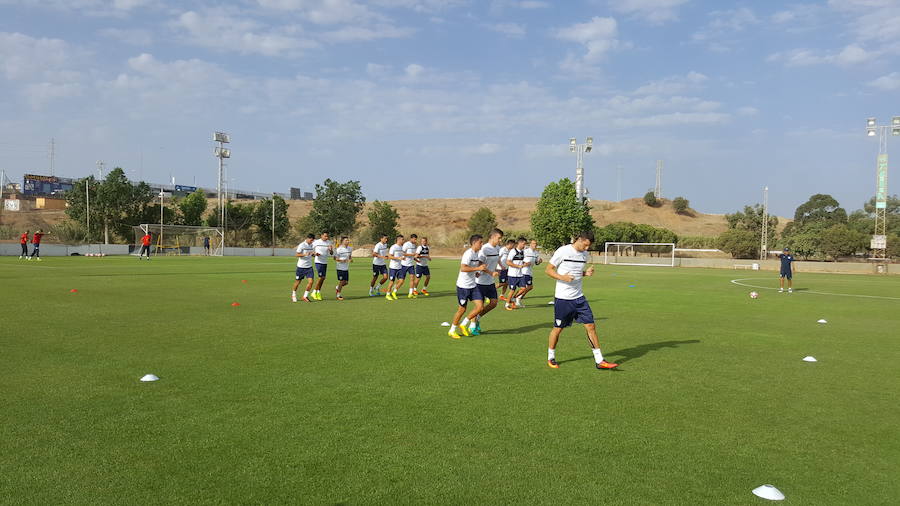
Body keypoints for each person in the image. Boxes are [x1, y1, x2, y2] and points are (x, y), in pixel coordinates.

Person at [545, 231, 618, 370]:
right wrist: (562, 277)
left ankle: (599, 360)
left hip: (579, 298)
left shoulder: (585, 255)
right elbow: (548, 270)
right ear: (580, 239)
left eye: (588, 246)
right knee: (558, 329)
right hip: (563, 299)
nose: (587, 249)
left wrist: (586, 273)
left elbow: (577, 272)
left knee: (591, 326)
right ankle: (551, 356)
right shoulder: (563, 251)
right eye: (585, 245)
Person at [448, 234, 488, 339]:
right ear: (474, 243)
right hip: (463, 286)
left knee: (480, 307)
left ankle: (463, 324)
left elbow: (472, 268)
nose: (482, 244)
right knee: (462, 309)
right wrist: (477, 268)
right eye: (480, 242)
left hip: (473, 285)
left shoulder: (476, 254)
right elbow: (463, 268)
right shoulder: (468, 254)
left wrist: (477, 272)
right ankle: (452, 330)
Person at [474, 229, 504, 335]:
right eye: (499, 238)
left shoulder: (497, 248)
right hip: (480, 281)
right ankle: (473, 325)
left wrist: (499, 267)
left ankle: (477, 318)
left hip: (490, 282)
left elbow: (496, 260)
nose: (500, 240)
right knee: (479, 307)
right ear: (492, 237)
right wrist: (491, 272)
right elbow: (480, 264)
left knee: (494, 303)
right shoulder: (485, 249)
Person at [511, 239, 540, 308]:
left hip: (530, 272)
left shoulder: (536, 253)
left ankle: (516, 298)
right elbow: (520, 260)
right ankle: (516, 298)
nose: (534, 245)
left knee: (529, 287)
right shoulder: (525, 251)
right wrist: (524, 264)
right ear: (530, 244)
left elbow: (536, 262)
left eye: (535, 244)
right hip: (524, 271)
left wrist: (539, 261)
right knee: (527, 287)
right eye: (533, 243)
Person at [504, 237, 529, 310]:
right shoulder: (513, 251)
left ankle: (513, 299)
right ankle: (507, 304)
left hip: (520, 274)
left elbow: (521, 261)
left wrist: (525, 263)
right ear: (520, 243)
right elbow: (508, 262)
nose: (524, 245)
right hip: (512, 274)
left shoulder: (523, 252)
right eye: (523, 244)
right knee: (512, 290)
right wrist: (518, 266)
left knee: (524, 288)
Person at [292, 234, 316, 303]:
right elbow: (297, 254)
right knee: (298, 282)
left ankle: (305, 296)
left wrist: (314, 254)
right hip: (301, 267)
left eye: (313, 240)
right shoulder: (302, 245)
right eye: (311, 240)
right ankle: (293, 294)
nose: (312, 241)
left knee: (311, 282)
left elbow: (311, 254)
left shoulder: (311, 245)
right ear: (308, 238)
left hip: (309, 267)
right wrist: (305, 254)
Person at [311, 232, 333, 300]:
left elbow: (332, 253)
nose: (326, 238)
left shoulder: (329, 242)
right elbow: (311, 252)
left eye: (327, 236)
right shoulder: (316, 242)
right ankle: (314, 292)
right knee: (321, 277)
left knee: (323, 278)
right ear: (321, 236)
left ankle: (318, 292)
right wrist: (315, 254)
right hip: (318, 262)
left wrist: (330, 250)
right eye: (325, 236)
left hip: (325, 262)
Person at [385, 235, 406, 301]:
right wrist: (398, 258)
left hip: (400, 267)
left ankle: (394, 292)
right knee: (391, 282)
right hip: (393, 267)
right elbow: (389, 256)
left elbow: (401, 255)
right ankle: (388, 295)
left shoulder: (402, 247)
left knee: (401, 281)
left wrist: (402, 258)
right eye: (402, 239)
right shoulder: (393, 247)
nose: (403, 241)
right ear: (398, 240)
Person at [334, 236, 353, 301]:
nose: (348, 241)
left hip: (346, 268)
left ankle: (337, 287)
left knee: (346, 282)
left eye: (348, 240)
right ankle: (338, 295)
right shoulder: (339, 249)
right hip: (340, 268)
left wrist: (350, 259)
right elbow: (335, 258)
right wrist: (343, 261)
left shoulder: (350, 248)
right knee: (341, 281)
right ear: (342, 241)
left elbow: (349, 256)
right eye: (346, 240)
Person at [401, 234, 419, 299]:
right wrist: (412, 254)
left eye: (416, 239)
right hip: (404, 264)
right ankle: (395, 289)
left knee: (412, 278)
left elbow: (414, 255)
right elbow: (402, 253)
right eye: (414, 239)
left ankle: (410, 293)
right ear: (411, 238)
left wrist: (416, 259)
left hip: (411, 265)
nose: (415, 240)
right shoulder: (406, 244)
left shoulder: (414, 245)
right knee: (401, 280)